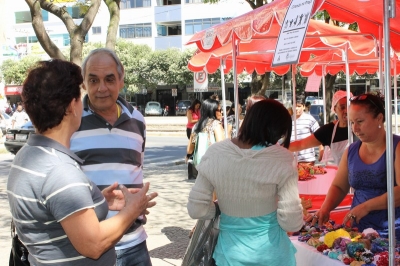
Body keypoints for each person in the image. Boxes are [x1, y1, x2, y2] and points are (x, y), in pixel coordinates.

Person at [7, 59, 158, 266]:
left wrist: (98, 202)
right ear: (72, 106)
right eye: (80, 95)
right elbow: (93, 245)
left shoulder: (26, 155)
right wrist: (133, 209)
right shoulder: (60, 171)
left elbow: (55, 212)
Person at [187, 99, 303, 265]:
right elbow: (292, 222)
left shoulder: (216, 153)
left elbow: (196, 209)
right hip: (273, 255)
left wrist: (221, 209)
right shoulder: (282, 158)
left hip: (229, 256)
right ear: (277, 130)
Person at [70, 48, 153, 266]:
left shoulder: (138, 120)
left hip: (135, 244)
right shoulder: (71, 122)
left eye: (109, 79)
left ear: (121, 79)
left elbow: (137, 167)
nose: (102, 88)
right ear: (84, 83)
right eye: (93, 80)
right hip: (92, 248)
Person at [313, 93, 400, 239]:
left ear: (379, 118)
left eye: (360, 121)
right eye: (352, 122)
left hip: (392, 233)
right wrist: (325, 208)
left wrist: (365, 207)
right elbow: (339, 186)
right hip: (358, 232)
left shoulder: (396, 147)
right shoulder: (351, 150)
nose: (355, 128)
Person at [289, 90, 353, 165]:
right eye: (342, 107)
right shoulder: (329, 130)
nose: (346, 111)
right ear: (335, 109)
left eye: (349, 106)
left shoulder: (361, 127)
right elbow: (301, 144)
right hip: (342, 175)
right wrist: (278, 149)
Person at [291, 97, 322, 164]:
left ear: (304, 107)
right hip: (291, 160)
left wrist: (321, 150)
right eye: (294, 106)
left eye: (299, 106)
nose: (296, 108)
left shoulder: (309, 119)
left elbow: (320, 135)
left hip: (307, 159)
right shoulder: (288, 120)